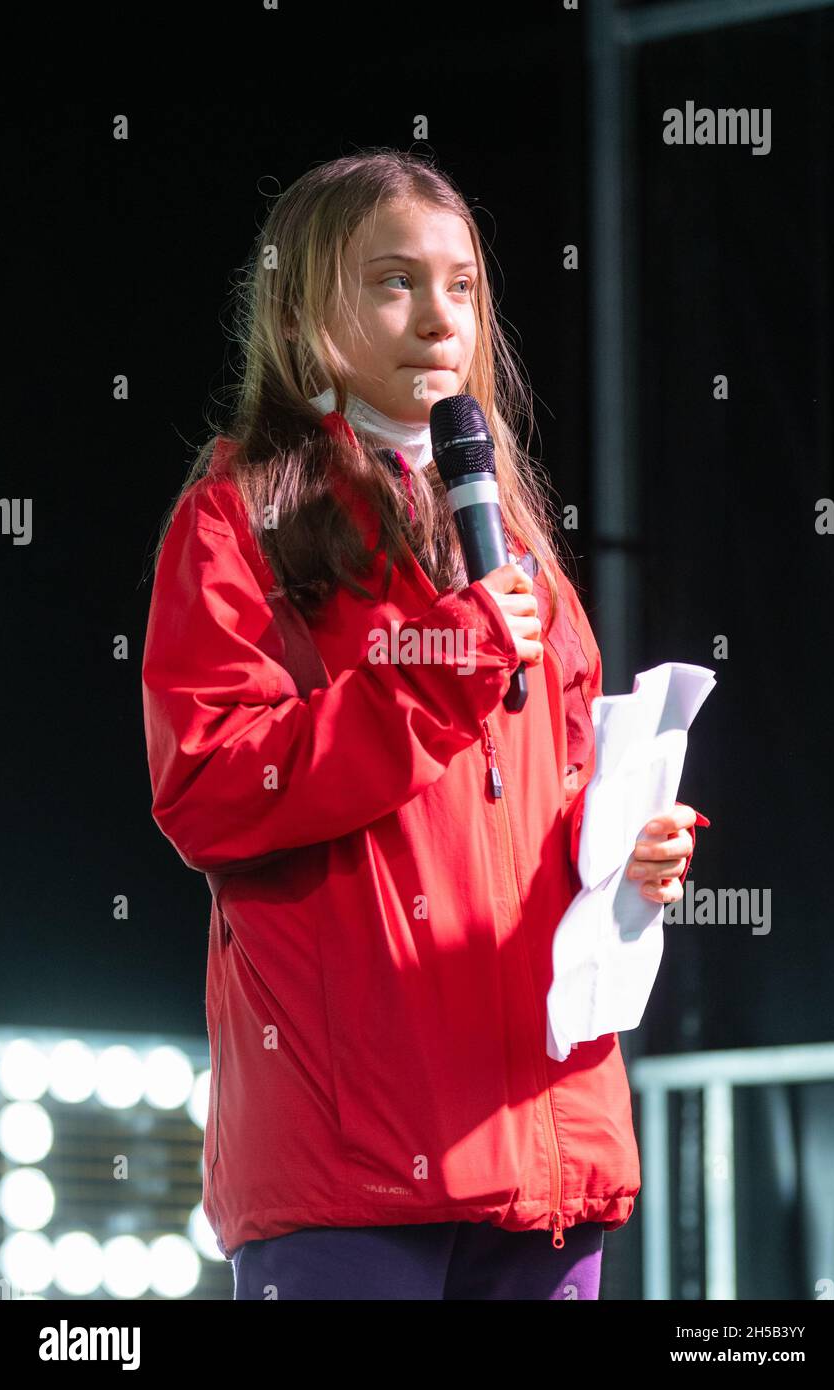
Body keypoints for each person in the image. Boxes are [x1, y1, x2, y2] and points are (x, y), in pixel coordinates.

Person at [141, 149, 707, 1301]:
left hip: (541, 1137)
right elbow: (209, 785)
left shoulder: (513, 545)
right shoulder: (237, 520)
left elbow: (558, 797)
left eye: (459, 286)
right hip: (351, 1161)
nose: (436, 317)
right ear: (302, 313)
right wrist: (435, 678)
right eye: (393, 282)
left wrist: (631, 853)